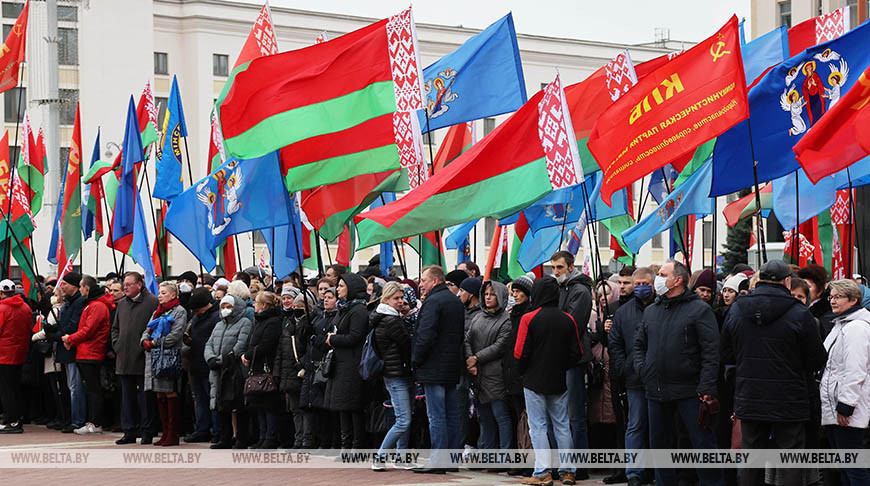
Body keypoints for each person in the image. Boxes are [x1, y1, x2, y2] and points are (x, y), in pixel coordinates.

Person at [720, 260, 828, 486]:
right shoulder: (799, 312)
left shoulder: (738, 309)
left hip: (750, 395)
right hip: (789, 397)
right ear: (787, 281)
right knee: (789, 457)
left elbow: (726, 353)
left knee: (752, 456)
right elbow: (817, 358)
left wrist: (737, 377)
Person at [633, 260, 723, 486]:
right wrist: (644, 370)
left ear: (678, 280)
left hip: (690, 391)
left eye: (663, 274)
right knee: (660, 446)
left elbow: (711, 352)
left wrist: (707, 387)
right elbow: (639, 345)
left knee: (702, 444)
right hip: (656, 390)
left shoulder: (699, 310)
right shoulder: (652, 310)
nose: (658, 278)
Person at [514, 276, 581, 486]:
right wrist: (561, 366)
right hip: (558, 379)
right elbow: (576, 353)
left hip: (533, 379)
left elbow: (519, 352)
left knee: (538, 427)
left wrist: (523, 371)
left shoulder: (529, 318)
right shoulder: (567, 319)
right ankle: (568, 471)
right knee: (562, 425)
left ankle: (543, 471)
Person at [412, 266, 465, 474]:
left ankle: (438, 460)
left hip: (433, 367)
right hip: (451, 366)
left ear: (434, 281)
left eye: (423, 280)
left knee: (436, 415)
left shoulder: (433, 302)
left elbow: (425, 335)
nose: (420, 284)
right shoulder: (454, 301)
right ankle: (451, 460)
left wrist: (416, 360)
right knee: (452, 414)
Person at [820, 279, 870, 484]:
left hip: (847, 410)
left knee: (854, 467)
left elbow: (855, 370)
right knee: (846, 466)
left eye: (838, 297)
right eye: (831, 296)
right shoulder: (840, 324)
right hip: (835, 407)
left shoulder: (856, 328)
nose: (833, 301)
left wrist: (846, 405)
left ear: (854, 300)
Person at [608, 267, 655, 486]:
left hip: (659, 379)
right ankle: (634, 472)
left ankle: (658, 471)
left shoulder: (661, 308)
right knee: (635, 426)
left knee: (659, 428)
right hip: (634, 379)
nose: (641, 287)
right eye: (638, 284)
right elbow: (615, 343)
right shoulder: (623, 313)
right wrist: (623, 367)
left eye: (645, 283)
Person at [550, 250, 592, 473]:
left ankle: (580, 465)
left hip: (574, 357)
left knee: (575, 415)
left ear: (571, 267)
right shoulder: (557, 288)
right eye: (553, 268)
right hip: (556, 358)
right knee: (558, 414)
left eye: (560, 268)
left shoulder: (580, 290)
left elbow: (571, 323)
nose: (556, 272)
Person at [60, 276, 115, 435]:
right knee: (90, 389)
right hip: (85, 351)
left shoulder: (97, 306)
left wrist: (70, 338)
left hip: (92, 352)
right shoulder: (91, 305)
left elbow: (88, 330)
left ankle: (96, 423)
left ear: (87, 288)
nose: (81, 289)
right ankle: (92, 421)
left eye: (82, 287)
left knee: (94, 390)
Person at [111, 272, 159, 445]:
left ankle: (147, 431)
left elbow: (156, 326)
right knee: (127, 397)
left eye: (129, 284)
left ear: (139, 285)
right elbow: (115, 328)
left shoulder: (152, 302)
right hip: (123, 358)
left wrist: (145, 345)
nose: (125, 287)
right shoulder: (122, 304)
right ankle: (129, 431)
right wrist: (116, 344)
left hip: (143, 357)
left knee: (145, 398)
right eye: (125, 284)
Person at [465, 280, 513, 452]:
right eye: (486, 294)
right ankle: (488, 454)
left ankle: (504, 455)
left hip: (495, 374)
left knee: (501, 416)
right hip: (477, 374)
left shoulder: (506, 320)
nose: (488, 297)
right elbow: (467, 338)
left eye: (492, 294)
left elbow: (500, 345)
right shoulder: (478, 317)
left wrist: (476, 358)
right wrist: (470, 359)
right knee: (484, 417)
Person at [372, 282, 415, 471]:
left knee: (404, 417)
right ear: (386, 299)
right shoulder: (390, 320)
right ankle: (380, 457)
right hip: (396, 374)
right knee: (403, 419)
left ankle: (401, 456)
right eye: (396, 298)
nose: (401, 301)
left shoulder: (386, 317)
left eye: (401, 298)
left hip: (398, 373)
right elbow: (407, 345)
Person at [323, 273, 369, 451]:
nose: (338, 289)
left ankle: (356, 446)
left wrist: (333, 339)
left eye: (342, 286)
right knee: (343, 407)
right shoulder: (345, 308)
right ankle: (345, 445)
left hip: (352, 364)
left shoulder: (358, 310)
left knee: (353, 407)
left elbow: (355, 337)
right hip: (341, 364)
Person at [141, 282, 187, 446]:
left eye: (163, 293)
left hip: (169, 357)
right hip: (154, 358)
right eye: (159, 293)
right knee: (159, 395)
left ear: (173, 295)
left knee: (170, 394)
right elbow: (147, 329)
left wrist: (154, 343)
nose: (159, 295)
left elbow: (176, 334)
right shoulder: (157, 312)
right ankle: (165, 432)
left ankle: (173, 434)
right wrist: (144, 341)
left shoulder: (179, 311)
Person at [205, 294, 252, 449]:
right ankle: (224, 438)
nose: (225, 310)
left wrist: (222, 360)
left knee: (238, 405)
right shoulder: (219, 325)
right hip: (218, 370)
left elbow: (240, 344)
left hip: (234, 370)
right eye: (223, 306)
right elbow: (209, 343)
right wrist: (211, 358)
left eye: (229, 306)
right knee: (221, 404)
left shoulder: (244, 322)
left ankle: (241, 439)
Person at [242, 291, 283, 449]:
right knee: (258, 404)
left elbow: (266, 344)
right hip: (256, 366)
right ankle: (262, 436)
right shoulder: (260, 320)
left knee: (268, 404)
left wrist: (248, 354)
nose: (254, 305)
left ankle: (270, 437)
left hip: (267, 367)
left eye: (257, 302)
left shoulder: (272, 322)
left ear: (264, 305)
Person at [274, 291, 315, 449]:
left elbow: (312, 348)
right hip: (288, 373)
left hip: (302, 372)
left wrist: (303, 363)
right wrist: (278, 373)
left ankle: (307, 439)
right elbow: (280, 350)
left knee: (305, 408)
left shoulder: (309, 324)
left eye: (301, 306)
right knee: (294, 409)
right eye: (296, 306)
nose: (297, 309)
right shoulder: (288, 324)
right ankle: (298, 439)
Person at [47, 272, 86, 433]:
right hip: (64, 349)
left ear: (75, 286)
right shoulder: (69, 303)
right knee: (68, 387)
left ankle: (77, 421)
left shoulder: (79, 303)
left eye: (65, 284)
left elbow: (72, 326)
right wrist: (52, 329)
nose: (61, 286)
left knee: (75, 387)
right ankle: (69, 418)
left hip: (73, 349)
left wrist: (55, 335)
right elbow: (63, 324)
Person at [181, 288, 221, 443]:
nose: (196, 312)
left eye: (198, 309)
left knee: (212, 400)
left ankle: (217, 430)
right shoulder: (197, 317)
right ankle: (202, 429)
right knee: (200, 400)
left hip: (209, 364)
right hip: (195, 363)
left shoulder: (216, 317)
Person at [300, 286, 337, 449]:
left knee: (326, 407)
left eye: (330, 297)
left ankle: (328, 440)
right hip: (312, 366)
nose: (326, 299)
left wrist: (316, 338)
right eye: (325, 297)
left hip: (327, 367)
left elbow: (327, 342)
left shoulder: (337, 318)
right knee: (312, 405)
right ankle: (313, 439)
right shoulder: (317, 316)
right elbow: (304, 338)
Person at [0, 279, 36, 434]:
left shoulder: (2, 308)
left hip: (4, 354)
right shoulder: (26, 307)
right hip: (20, 352)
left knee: (7, 390)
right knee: (15, 388)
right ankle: (15, 419)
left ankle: (12, 421)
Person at [456, 275, 482, 448]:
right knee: (460, 410)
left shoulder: (480, 315)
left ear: (471, 294)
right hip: (462, 369)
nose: (459, 294)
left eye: (462, 291)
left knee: (478, 413)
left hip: (477, 369)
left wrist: (473, 360)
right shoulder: (460, 311)